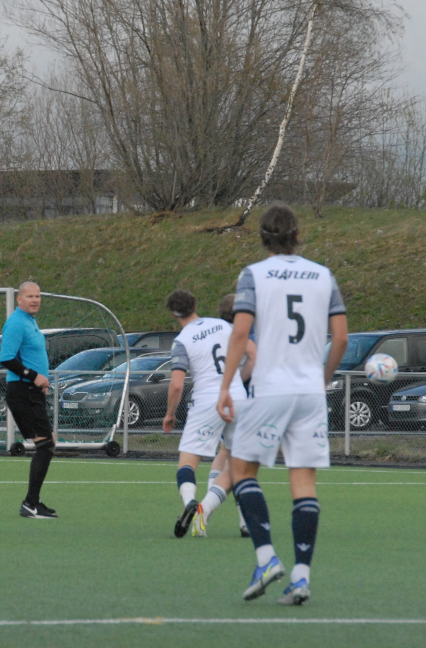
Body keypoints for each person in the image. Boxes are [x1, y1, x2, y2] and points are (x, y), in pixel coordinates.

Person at [218, 202, 348, 606]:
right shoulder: (324, 275)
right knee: (304, 483)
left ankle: (266, 559)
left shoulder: (253, 274)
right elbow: (341, 338)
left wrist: (225, 387)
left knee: (242, 471)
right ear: (297, 235)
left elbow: (240, 334)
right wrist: (322, 379)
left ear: (262, 237)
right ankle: (301, 577)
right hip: (309, 392)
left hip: (271, 388)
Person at [162, 290, 254, 539]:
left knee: (188, 463)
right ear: (195, 306)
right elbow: (254, 355)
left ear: (173, 314)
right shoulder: (224, 325)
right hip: (237, 399)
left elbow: (177, 385)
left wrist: (170, 413)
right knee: (238, 465)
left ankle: (190, 502)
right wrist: (236, 381)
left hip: (206, 403)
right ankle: (219, 512)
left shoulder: (182, 340)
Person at [0, 281, 57, 519]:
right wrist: (34, 377)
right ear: (19, 299)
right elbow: (6, 358)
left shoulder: (30, 321)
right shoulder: (16, 322)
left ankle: (34, 501)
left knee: (48, 443)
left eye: (38, 296)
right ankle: (30, 504)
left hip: (32, 391)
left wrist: (39, 383)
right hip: (22, 391)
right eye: (30, 296)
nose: (35, 300)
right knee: (45, 445)